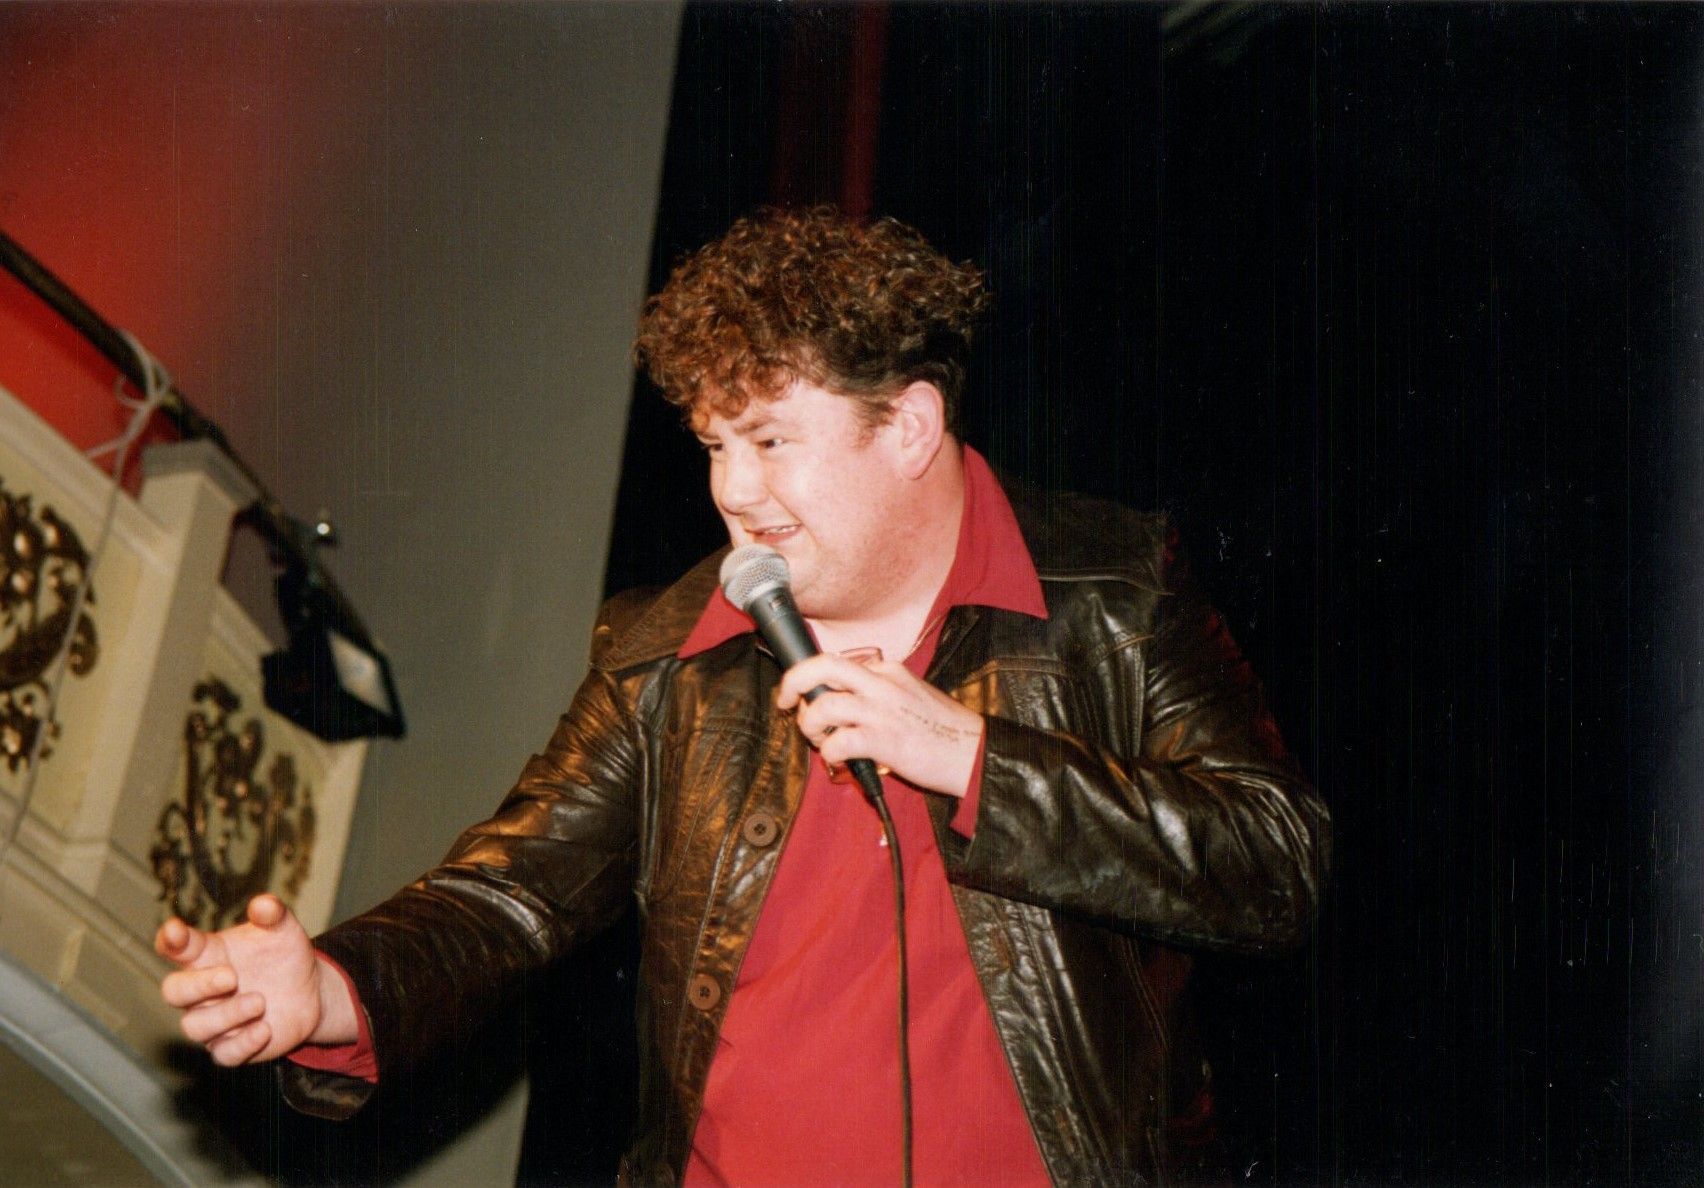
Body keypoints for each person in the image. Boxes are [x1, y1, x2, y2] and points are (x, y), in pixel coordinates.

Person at [157, 207, 1329, 1185]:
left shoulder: (1110, 596)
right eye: (714, 445)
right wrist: (338, 987)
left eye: (770, 440)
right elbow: (509, 894)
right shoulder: (671, 650)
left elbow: (1276, 861)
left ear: (910, 426)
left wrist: (977, 758)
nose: (735, 491)